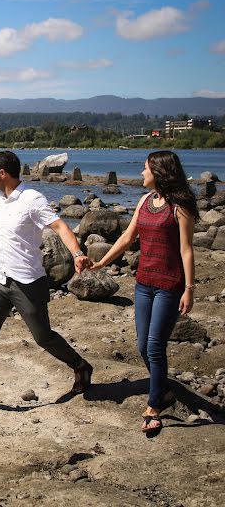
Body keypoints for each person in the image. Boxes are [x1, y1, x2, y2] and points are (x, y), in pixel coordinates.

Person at [0, 150, 94, 410]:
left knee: (43, 337)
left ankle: (81, 366)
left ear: (3, 173)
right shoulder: (0, 200)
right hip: (0, 279)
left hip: (28, 283)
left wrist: (77, 253)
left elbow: (60, 227)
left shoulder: (32, 199)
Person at [88, 151, 196, 433]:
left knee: (155, 347)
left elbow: (186, 250)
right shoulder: (145, 201)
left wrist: (189, 289)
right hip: (144, 283)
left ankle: (154, 405)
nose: (140, 173)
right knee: (141, 346)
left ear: (159, 172)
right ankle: (165, 391)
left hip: (169, 285)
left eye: (145, 168)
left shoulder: (180, 207)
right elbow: (127, 237)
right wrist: (102, 261)